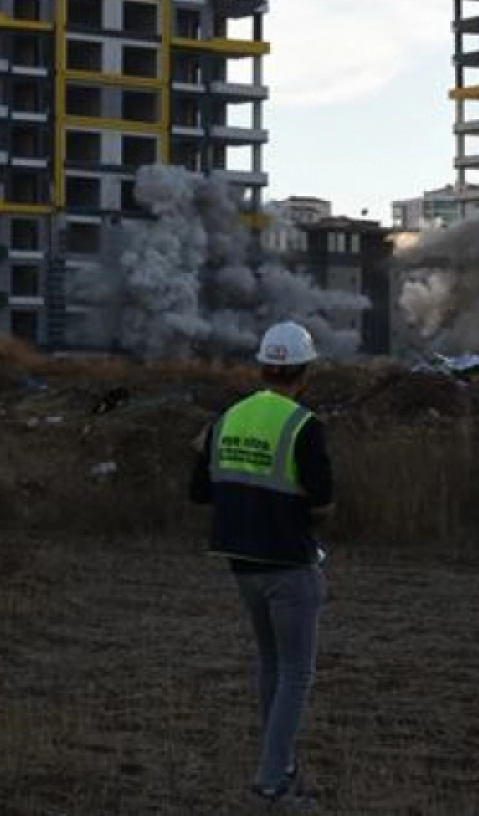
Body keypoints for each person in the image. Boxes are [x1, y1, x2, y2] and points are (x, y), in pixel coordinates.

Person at [189, 320, 333, 804]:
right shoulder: (303, 425)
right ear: (304, 372)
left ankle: (283, 767)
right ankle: (271, 783)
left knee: (273, 664)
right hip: (290, 563)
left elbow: (198, 492)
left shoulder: (226, 419)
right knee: (297, 673)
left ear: (263, 369)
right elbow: (323, 501)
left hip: (241, 563)